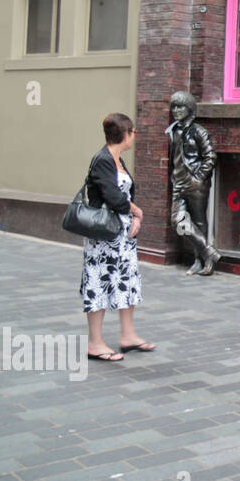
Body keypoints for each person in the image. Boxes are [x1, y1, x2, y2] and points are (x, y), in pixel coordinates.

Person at [80, 113, 152, 361]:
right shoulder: (102, 160)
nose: (134, 136)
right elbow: (113, 197)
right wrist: (137, 211)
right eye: (133, 131)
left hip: (122, 237)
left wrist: (135, 218)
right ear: (125, 134)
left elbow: (125, 194)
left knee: (126, 280)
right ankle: (95, 343)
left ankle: (128, 335)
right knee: (99, 282)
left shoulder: (117, 159)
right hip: (103, 237)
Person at [166, 91, 220, 275]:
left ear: (190, 109)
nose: (176, 110)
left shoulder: (198, 131)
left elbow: (210, 156)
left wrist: (198, 178)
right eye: (174, 106)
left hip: (195, 183)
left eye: (181, 106)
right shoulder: (172, 131)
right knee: (177, 220)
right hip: (178, 183)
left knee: (198, 221)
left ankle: (202, 262)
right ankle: (209, 253)